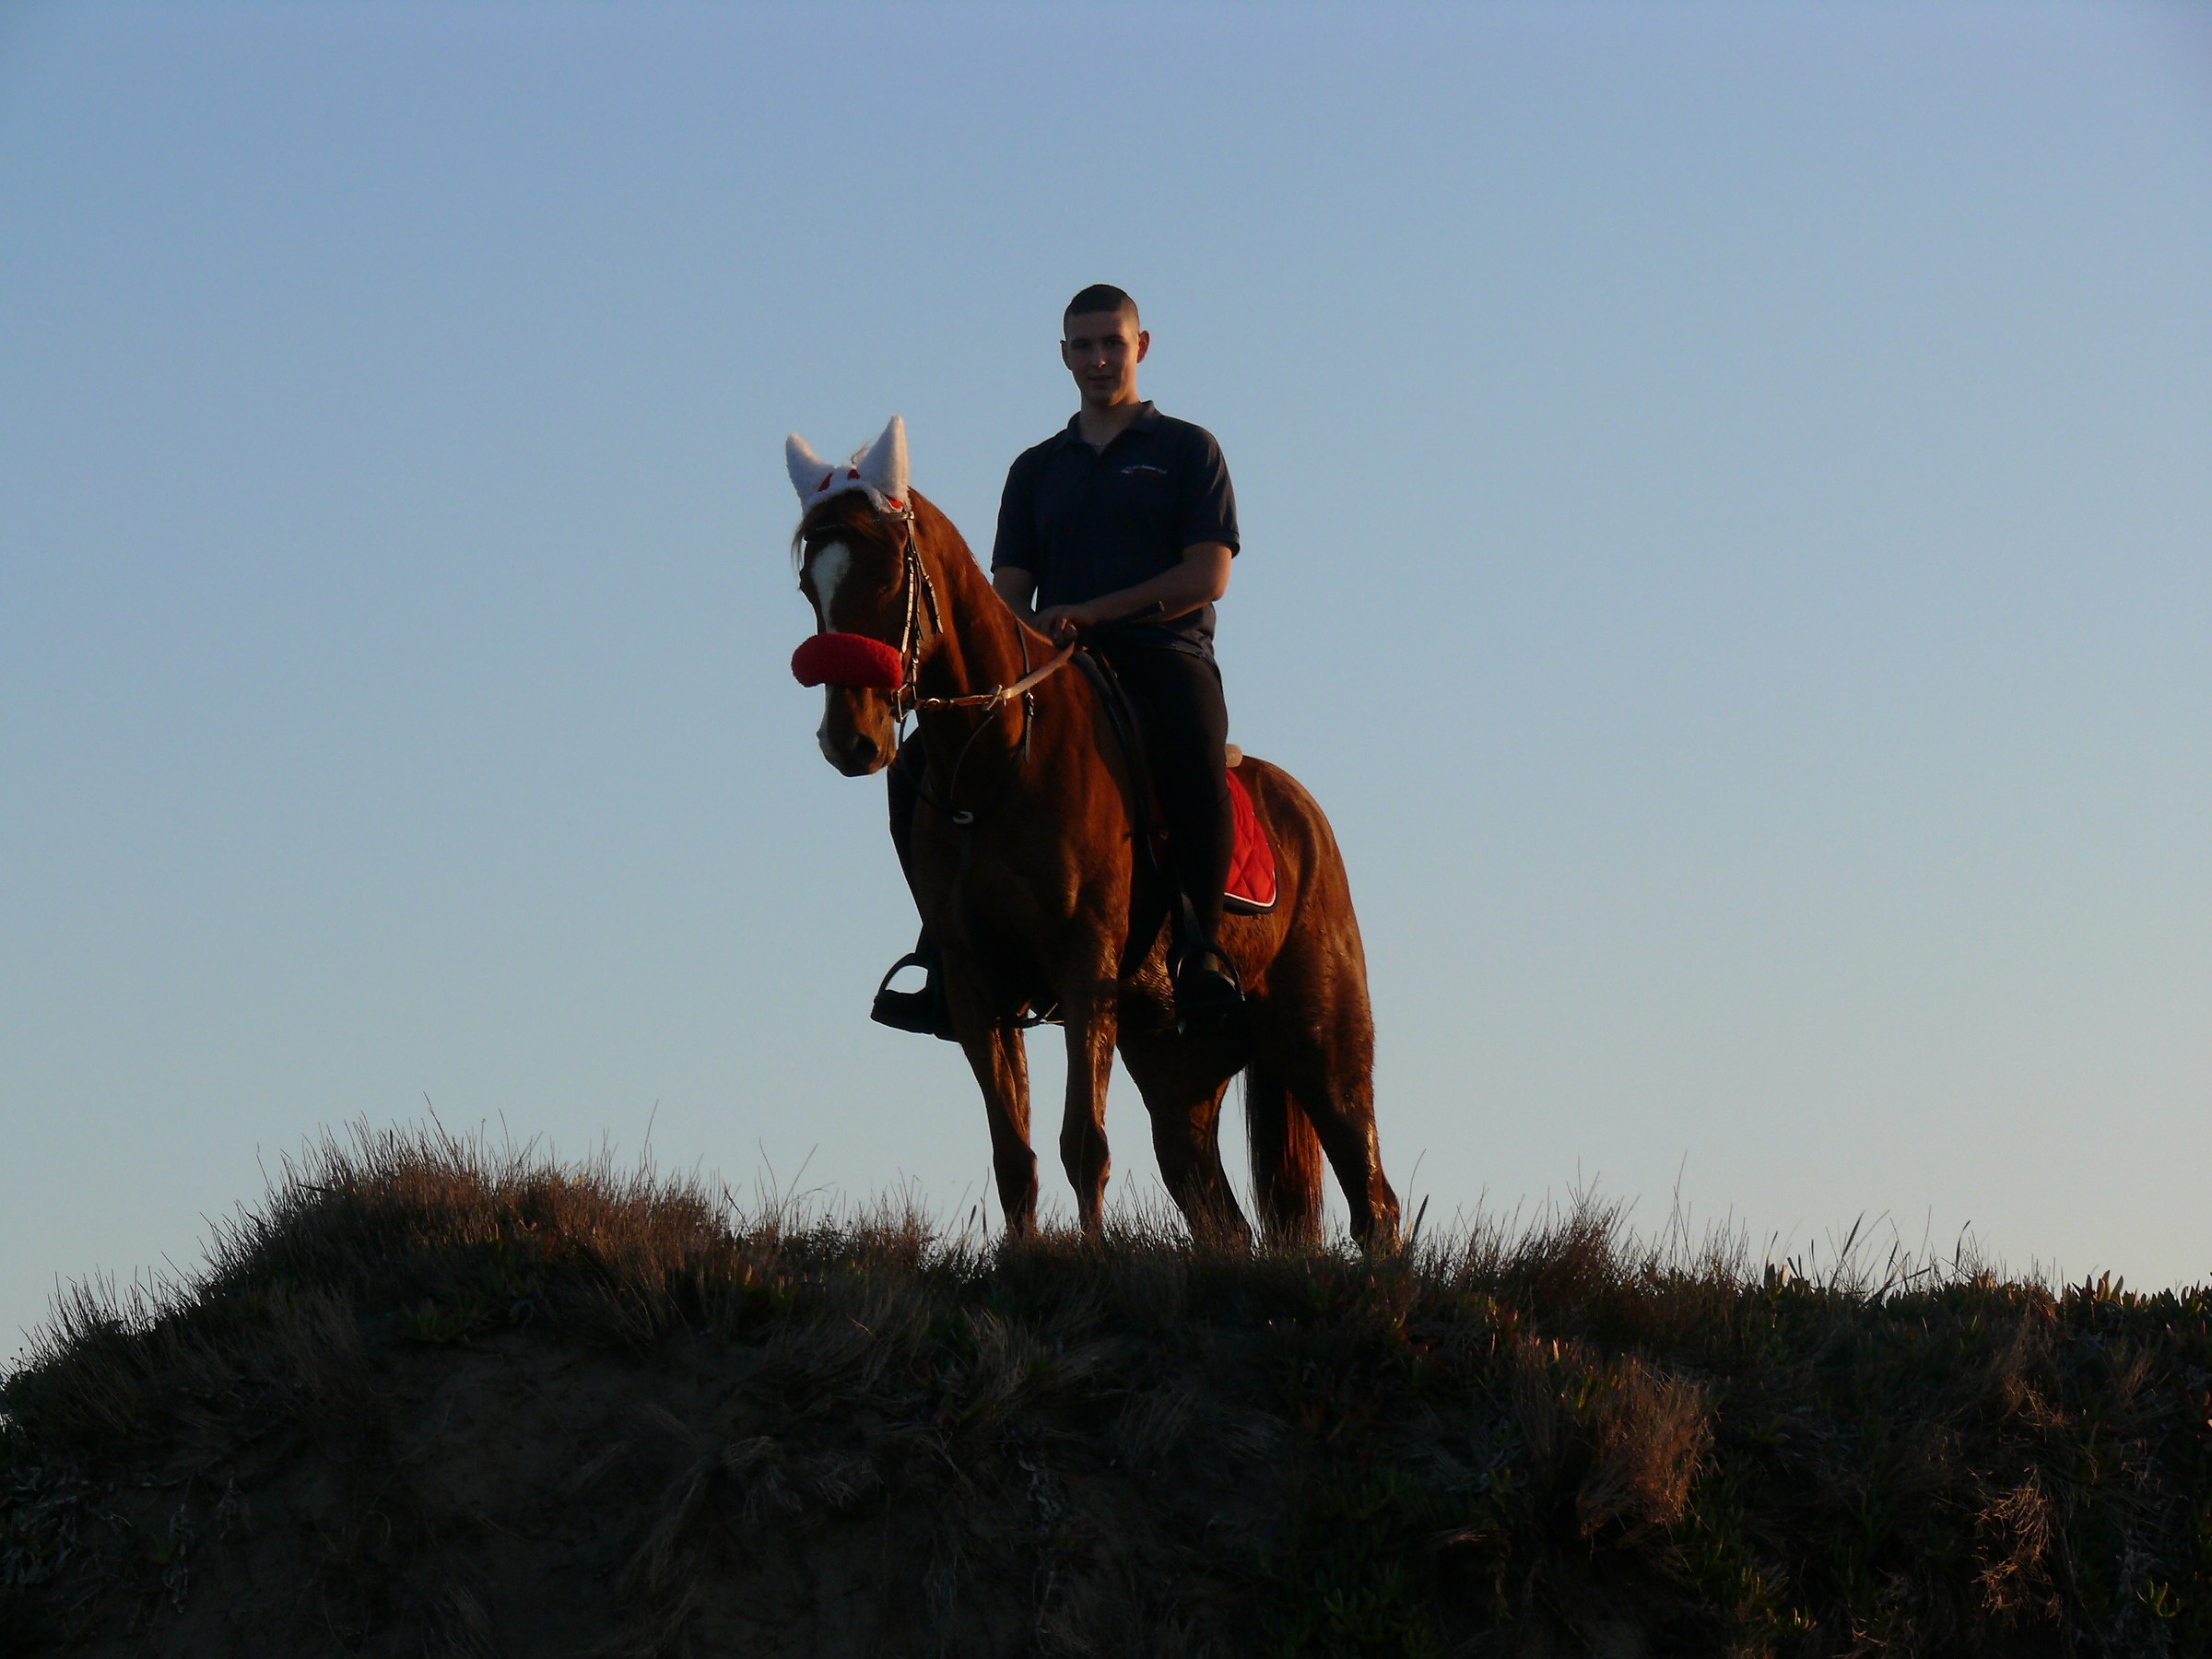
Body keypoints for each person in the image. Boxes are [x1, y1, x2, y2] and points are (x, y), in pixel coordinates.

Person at [875, 284, 1244, 1040]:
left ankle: (1201, 949)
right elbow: (1007, 590)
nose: (1100, 359)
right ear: (1065, 355)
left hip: (1162, 652)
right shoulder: (1036, 469)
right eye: (1084, 346)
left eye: (1113, 343)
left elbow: (1208, 574)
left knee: (1195, 752)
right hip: (1053, 663)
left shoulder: (1188, 450)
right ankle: (942, 951)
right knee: (916, 767)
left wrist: (1096, 612)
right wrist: (1018, 639)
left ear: (1142, 347)